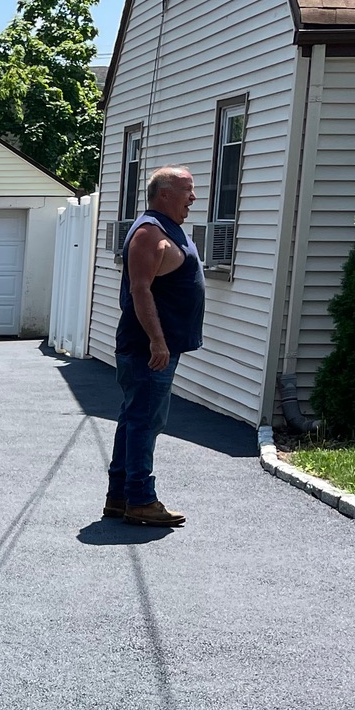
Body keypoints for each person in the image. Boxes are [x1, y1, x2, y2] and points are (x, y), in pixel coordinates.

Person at [105, 166, 205, 527]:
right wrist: (158, 342)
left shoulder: (169, 229)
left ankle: (120, 497)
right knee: (145, 422)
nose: (193, 197)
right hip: (148, 349)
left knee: (135, 419)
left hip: (157, 347)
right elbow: (139, 290)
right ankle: (141, 500)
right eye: (187, 191)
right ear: (164, 194)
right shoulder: (149, 233)